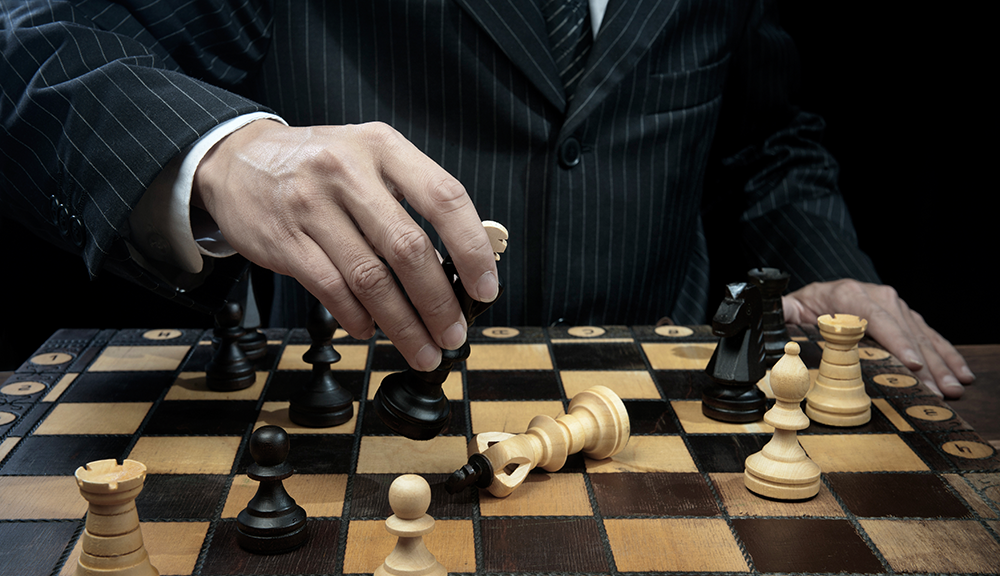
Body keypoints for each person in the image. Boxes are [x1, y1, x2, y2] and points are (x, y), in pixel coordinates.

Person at [0, 0, 972, 398]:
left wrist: (823, 265)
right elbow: (34, 38)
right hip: (359, 434)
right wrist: (220, 151)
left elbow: (767, 132)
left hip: (670, 431)